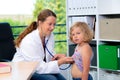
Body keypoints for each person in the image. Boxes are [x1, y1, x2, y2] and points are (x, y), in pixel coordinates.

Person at [12, 9, 74, 80]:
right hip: (25, 70)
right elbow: (38, 67)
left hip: (40, 68)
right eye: (50, 24)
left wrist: (56, 57)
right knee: (51, 79)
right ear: (40, 23)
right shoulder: (29, 41)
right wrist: (60, 62)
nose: (52, 28)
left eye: (54, 24)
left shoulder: (50, 35)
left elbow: (48, 58)